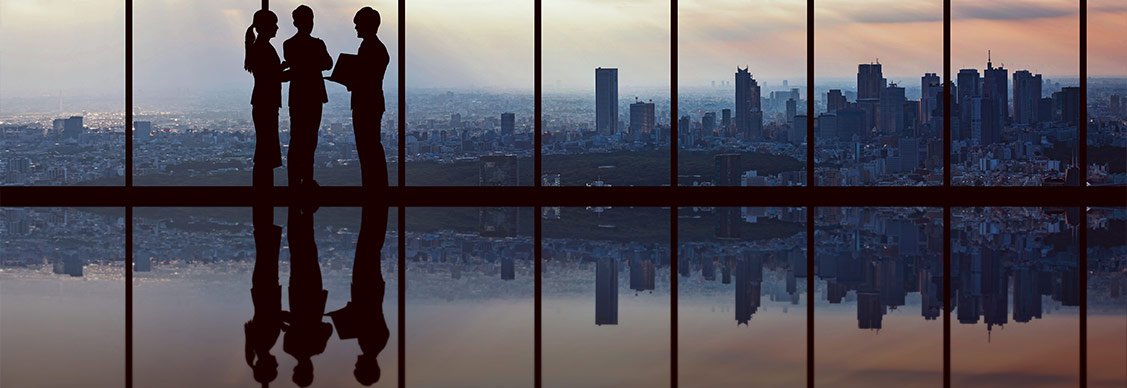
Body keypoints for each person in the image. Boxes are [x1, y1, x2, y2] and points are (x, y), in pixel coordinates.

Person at [326, 205, 390, 386]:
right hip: (366, 290)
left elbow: (371, 317)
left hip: (370, 290)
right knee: (369, 245)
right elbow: (368, 315)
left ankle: (374, 208)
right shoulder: (371, 344)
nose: (355, 364)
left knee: (370, 244)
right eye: (357, 368)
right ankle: (375, 206)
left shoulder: (375, 345)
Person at [283, 5, 333, 191]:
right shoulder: (318, 44)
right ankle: (307, 180)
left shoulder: (289, 45)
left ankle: (294, 182)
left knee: (297, 139)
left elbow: (296, 66)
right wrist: (314, 64)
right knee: (310, 141)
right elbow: (328, 63)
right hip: (314, 96)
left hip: (297, 96)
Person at [282, 205, 333, 387]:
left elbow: (327, 328)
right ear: (296, 370)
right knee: (297, 250)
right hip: (297, 292)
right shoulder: (289, 347)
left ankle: (306, 210)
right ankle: (294, 208)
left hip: (313, 293)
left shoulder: (318, 347)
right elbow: (291, 322)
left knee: (309, 249)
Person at [244, 9, 286, 189]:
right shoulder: (264, 48)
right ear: (265, 27)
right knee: (266, 146)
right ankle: (263, 188)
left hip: (262, 100)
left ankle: (262, 188)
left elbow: (269, 74)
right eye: (274, 24)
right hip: (266, 101)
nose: (277, 27)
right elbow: (272, 76)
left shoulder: (259, 46)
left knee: (264, 144)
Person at [349, 6, 390, 188]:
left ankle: (373, 186)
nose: (356, 28)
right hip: (372, 101)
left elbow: (365, 78)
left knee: (367, 147)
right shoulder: (377, 47)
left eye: (358, 24)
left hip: (365, 103)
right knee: (371, 146)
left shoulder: (369, 48)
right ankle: (376, 186)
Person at [244, 205, 284, 387]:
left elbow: (272, 317)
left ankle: (264, 216)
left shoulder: (265, 343)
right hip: (262, 291)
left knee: (267, 253)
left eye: (274, 367)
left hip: (267, 292)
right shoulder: (259, 345)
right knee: (264, 253)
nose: (277, 364)